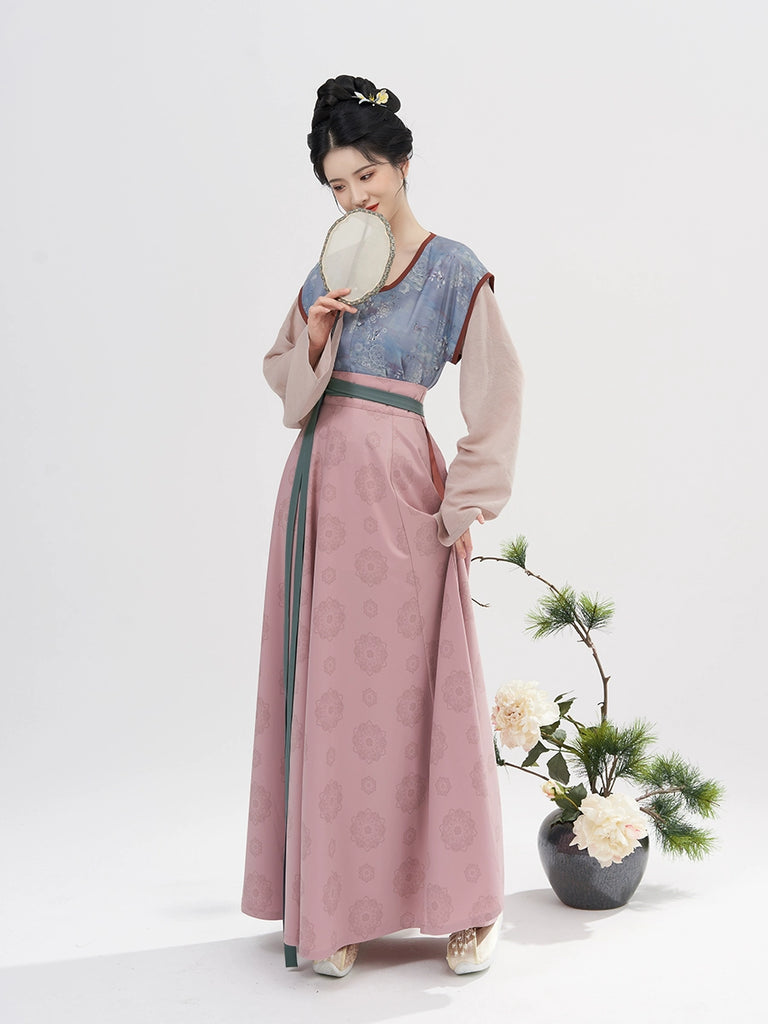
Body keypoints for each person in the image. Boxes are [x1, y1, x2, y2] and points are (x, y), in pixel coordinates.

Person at [241, 74, 523, 978]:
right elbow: (285, 382)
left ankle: (466, 906)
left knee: (421, 695)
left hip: (403, 498)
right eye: (337, 184)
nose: (355, 196)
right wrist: (319, 335)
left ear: (402, 165)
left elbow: (499, 393)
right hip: (320, 491)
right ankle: (339, 904)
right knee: (335, 700)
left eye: (366, 174)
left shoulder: (454, 268)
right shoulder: (330, 269)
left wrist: (462, 503)